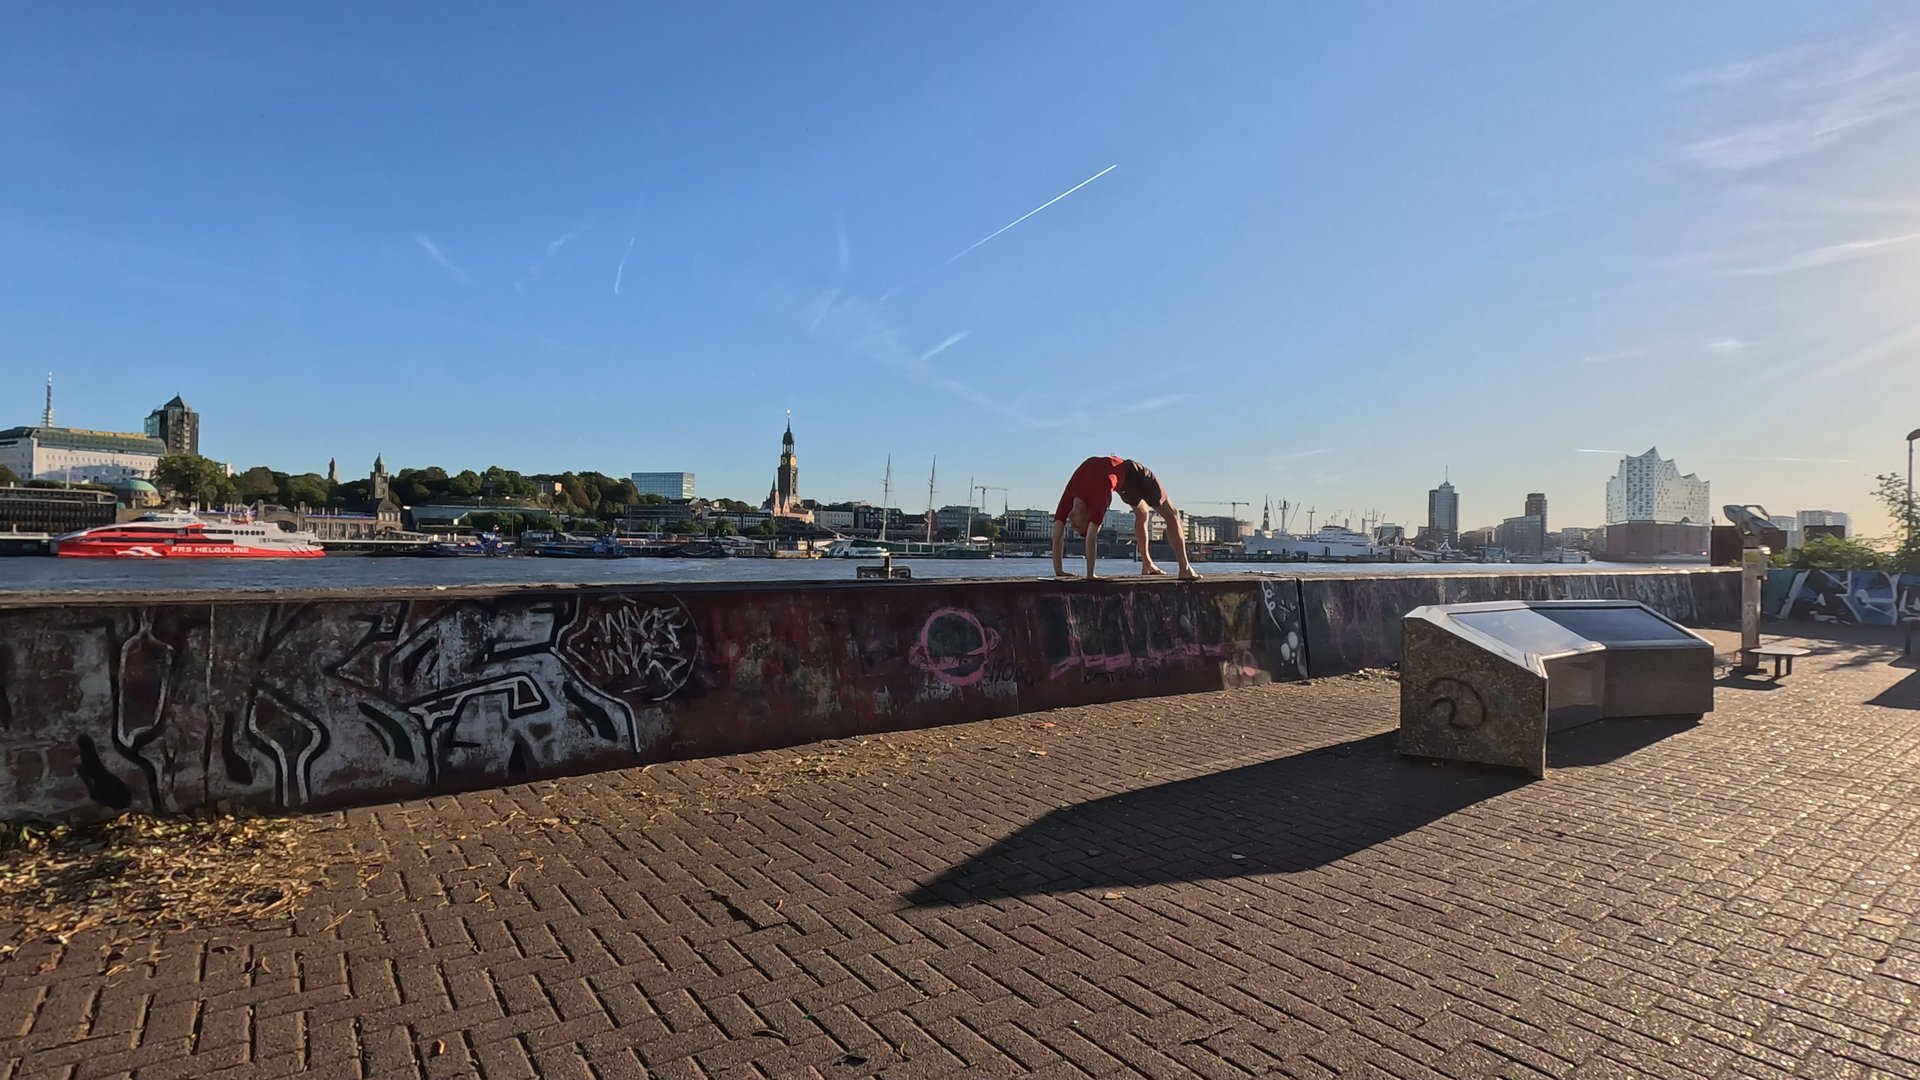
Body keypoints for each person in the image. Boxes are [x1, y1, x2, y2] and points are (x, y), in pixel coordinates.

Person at [1051, 455, 1198, 580]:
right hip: (1123, 485)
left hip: (1135, 473)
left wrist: (1090, 575)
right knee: (1144, 514)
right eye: (1078, 529)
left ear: (1088, 516)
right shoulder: (1091, 501)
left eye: (1078, 528)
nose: (1072, 526)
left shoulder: (1093, 498)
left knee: (1170, 515)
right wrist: (1060, 572)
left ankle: (1182, 568)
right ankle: (1149, 564)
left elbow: (1090, 537)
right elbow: (1058, 535)